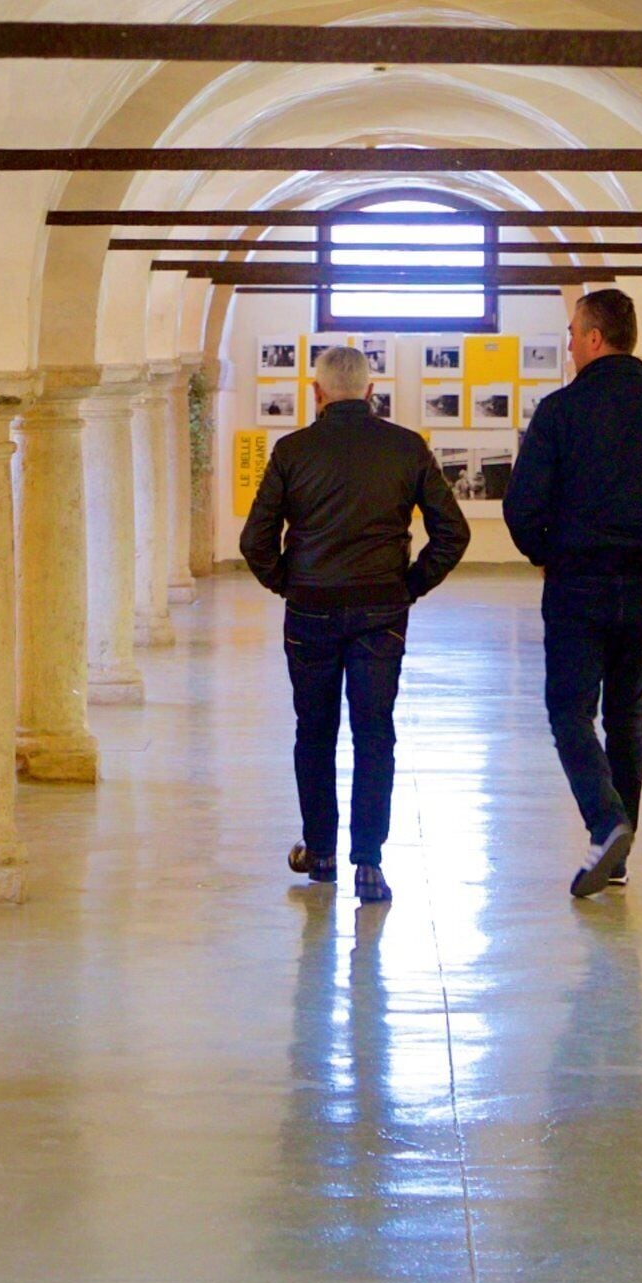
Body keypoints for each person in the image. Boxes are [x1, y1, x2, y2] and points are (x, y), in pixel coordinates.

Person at [503, 287, 642, 899]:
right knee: (627, 716)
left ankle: (607, 825)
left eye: (574, 332)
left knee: (570, 712)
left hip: (578, 589)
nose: (569, 343)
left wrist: (548, 556)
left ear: (596, 338)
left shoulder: (560, 413)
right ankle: (618, 856)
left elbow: (522, 509)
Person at [238, 342, 470, 906]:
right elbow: (453, 533)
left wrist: (287, 582)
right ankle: (369, 862)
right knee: (374, 734)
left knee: (313, 732)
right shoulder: (406, 448)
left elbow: (254, 541)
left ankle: (320, 852)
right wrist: (409, 585)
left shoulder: (293, 451)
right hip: (380, 612)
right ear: (371, 391)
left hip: (311, 609)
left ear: (316, 393)